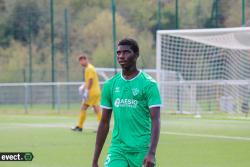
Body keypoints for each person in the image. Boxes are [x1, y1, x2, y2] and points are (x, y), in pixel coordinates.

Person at [92, 38, 161, 167]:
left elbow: (155, 120)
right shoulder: (110, 85)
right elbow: (104, 122)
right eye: (118, 53)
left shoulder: (149, 84)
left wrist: (151, 153)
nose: (121, 56)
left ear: (136, 55)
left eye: (126, 52)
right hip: (118, 149)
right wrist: (95, 160)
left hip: (141, 150)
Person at [72, 54, 102, 132]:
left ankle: (80, 126)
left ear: (85, 60)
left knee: (85, 107)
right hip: (95, 91)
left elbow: (91, 81)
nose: (81, 63)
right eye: (80, 61)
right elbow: (88, 81)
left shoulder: (89, 68)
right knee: (95, 108)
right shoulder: (89, 68)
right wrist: (82, 86)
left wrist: (86, 91)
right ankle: (101, 127)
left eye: (82, 61)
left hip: (92, 92)